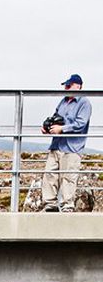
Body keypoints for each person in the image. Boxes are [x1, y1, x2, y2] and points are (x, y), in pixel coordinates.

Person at [40, 74, 92, 212]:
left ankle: (67, 205)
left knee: (68, 177)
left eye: (69, 85)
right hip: (57, 144)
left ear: (78, 86)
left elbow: (80, 124)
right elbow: (55, 117)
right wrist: (48, 127)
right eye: (65, 86)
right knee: (50, 174)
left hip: (71, 147)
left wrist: (61, 129)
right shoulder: (63, 102)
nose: (66, 88)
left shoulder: (84, 103)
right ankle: (50, 204)